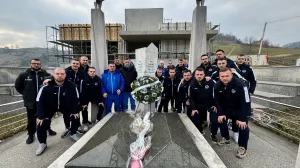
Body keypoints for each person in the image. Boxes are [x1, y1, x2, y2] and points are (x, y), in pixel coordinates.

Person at [35, 68, 80, 155]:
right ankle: (42, 143)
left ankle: (73, 133)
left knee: (75, 117)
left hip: (65, 106)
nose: (60, 75)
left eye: (62, 74)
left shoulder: (71, 86)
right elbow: (39, 102)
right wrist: (40, 116)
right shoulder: (45, 87)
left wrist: (75, 111)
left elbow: (76, 99)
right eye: (58, 74)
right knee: (41, 124)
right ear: (54, 75)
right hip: (49, 107)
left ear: (65, 75)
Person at [15, 58, 56, 144]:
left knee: (46, 117)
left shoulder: (45, 74)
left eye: (38, 63)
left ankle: (48, 129)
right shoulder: (24, 75)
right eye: (34, 63)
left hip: (44, 101)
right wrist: (26, 94)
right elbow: (18, 86)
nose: (36, 65)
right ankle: (31, 135)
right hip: (31, 102)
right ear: (30, 64)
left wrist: (50, 79)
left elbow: (53, 79)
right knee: (31, 119)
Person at [214, 67, 251, 159]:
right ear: (219, 77)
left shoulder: (241, 85)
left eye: (227, 76)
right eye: (222, 76)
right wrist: (221, 113)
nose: (225, 78)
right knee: (220, 118)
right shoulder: (217, 86)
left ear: (231, 75)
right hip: (228, 108)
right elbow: (217, 101)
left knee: (243, 127)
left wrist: (242, 118)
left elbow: (246, 101)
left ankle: (242, 147)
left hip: (241, 109)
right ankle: (226, 138)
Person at [189, 68, 217, 136]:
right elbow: (191, 98)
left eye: (201, 74)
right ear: (194, 75)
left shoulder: (210, 82)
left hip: (210, 104)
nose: (199, 76)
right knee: (195, 116)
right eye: (197, 74)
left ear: (204, 75)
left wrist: (215, 105)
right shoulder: (192, 84)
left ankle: (213, 134)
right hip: (199, 105)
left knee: (215, 119)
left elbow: (217, 94)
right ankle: (200, 130)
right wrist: (194, 108)